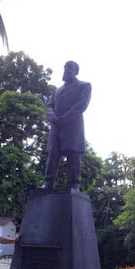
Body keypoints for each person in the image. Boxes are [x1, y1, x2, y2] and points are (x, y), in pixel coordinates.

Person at [41, 61, 92, 191]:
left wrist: (64, 118)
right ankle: (48, 182)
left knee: (73, 154)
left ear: (76, 71)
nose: (66, 70)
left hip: (73, 125)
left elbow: (82, 104)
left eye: (70, 68)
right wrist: (52, 117)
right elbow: (49, 106)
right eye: (65, 68)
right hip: (56, 126)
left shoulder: (84, 86)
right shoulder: (57, 91)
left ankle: (75, 184)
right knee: (52, 154)